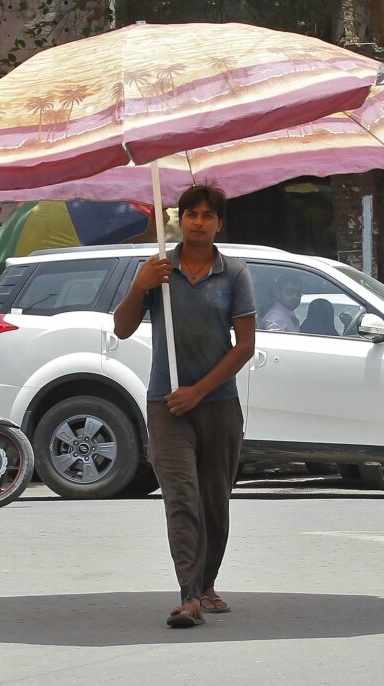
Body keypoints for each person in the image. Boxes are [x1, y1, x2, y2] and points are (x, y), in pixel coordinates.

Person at [112, 185, 255, 629]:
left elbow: (245, 346)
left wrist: (199, 389)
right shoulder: (159, 270)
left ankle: (206, 583)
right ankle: (189, 596)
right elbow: (121, 328)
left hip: (218, 405)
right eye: (190, 213)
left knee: (215, 502)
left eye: (207, 215)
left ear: (218, 222)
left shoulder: (233, 274)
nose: (197, 221)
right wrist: (140, 286)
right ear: (179, 218)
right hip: (167, 404)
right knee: (181, 499)